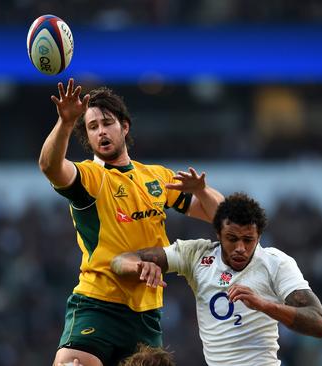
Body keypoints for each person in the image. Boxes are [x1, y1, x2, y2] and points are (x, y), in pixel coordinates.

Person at [38, 79, 224, 366]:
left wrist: (201, 190)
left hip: (146, 316)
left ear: (124, 127)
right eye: (92, 127)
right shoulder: (90, 179)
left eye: (107, 123)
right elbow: (50, 167)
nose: (101, 131)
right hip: (98, 304)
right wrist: (64, 122)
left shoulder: (157, 177)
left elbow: (224, 217)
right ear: (88, 138)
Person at [111, 193, 322, 365]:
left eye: (248, 240)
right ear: (218, 233)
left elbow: (319, 324)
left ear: (259, 236)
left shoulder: (276, 264)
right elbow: (119, 261)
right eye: (232, 239)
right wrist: (140, 265)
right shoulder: (196, 255)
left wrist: (264, 305)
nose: (240, 248)